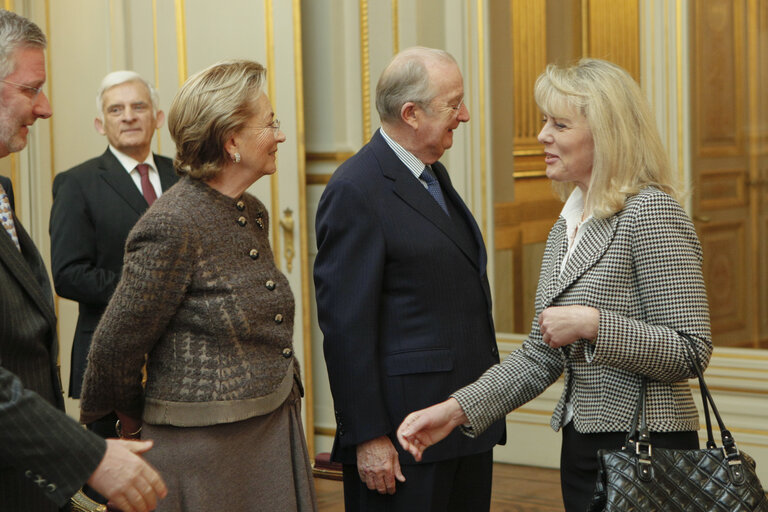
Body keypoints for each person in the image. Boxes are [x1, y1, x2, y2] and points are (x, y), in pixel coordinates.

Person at [397, 58, 713, 512]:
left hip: (648, 452)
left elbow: (690, 349)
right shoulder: (567, 224)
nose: (543, 135)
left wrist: (594, 324)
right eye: (545, 121)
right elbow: (540, 355)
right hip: (582, 447)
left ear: (607, 134)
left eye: (559, 124)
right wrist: (455, 411)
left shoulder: (652, 213)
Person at [79, 59, 317, 512]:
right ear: (231, 141)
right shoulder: (173, 222)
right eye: (270, 124)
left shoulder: (251, 210)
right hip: (203, 452)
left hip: (265, 431)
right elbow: (115, 346)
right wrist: (132, 428)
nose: (280, 135)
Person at [314, 46, 505, 511]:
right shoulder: (356, 189)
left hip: (462, 422)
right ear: (411, 113)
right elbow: (345, 328)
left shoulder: (431, 175)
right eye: (452, 103)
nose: (464, 114)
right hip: (402, 440)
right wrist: (368, 437)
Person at [0, 9, 165, 512]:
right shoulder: (79, 183)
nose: (45, 108)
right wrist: (87, 455)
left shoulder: (2, 190)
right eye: (32, 89)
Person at [49, 71, 178, 438]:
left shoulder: (182, 176)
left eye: (139, 106)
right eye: (116, 109)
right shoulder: (77, 183)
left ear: (157, 117)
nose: (128, 116)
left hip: (178, 354)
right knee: (117, 487)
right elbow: (69, 274)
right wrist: (149, 290)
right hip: (111, 357)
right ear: (100, 124)